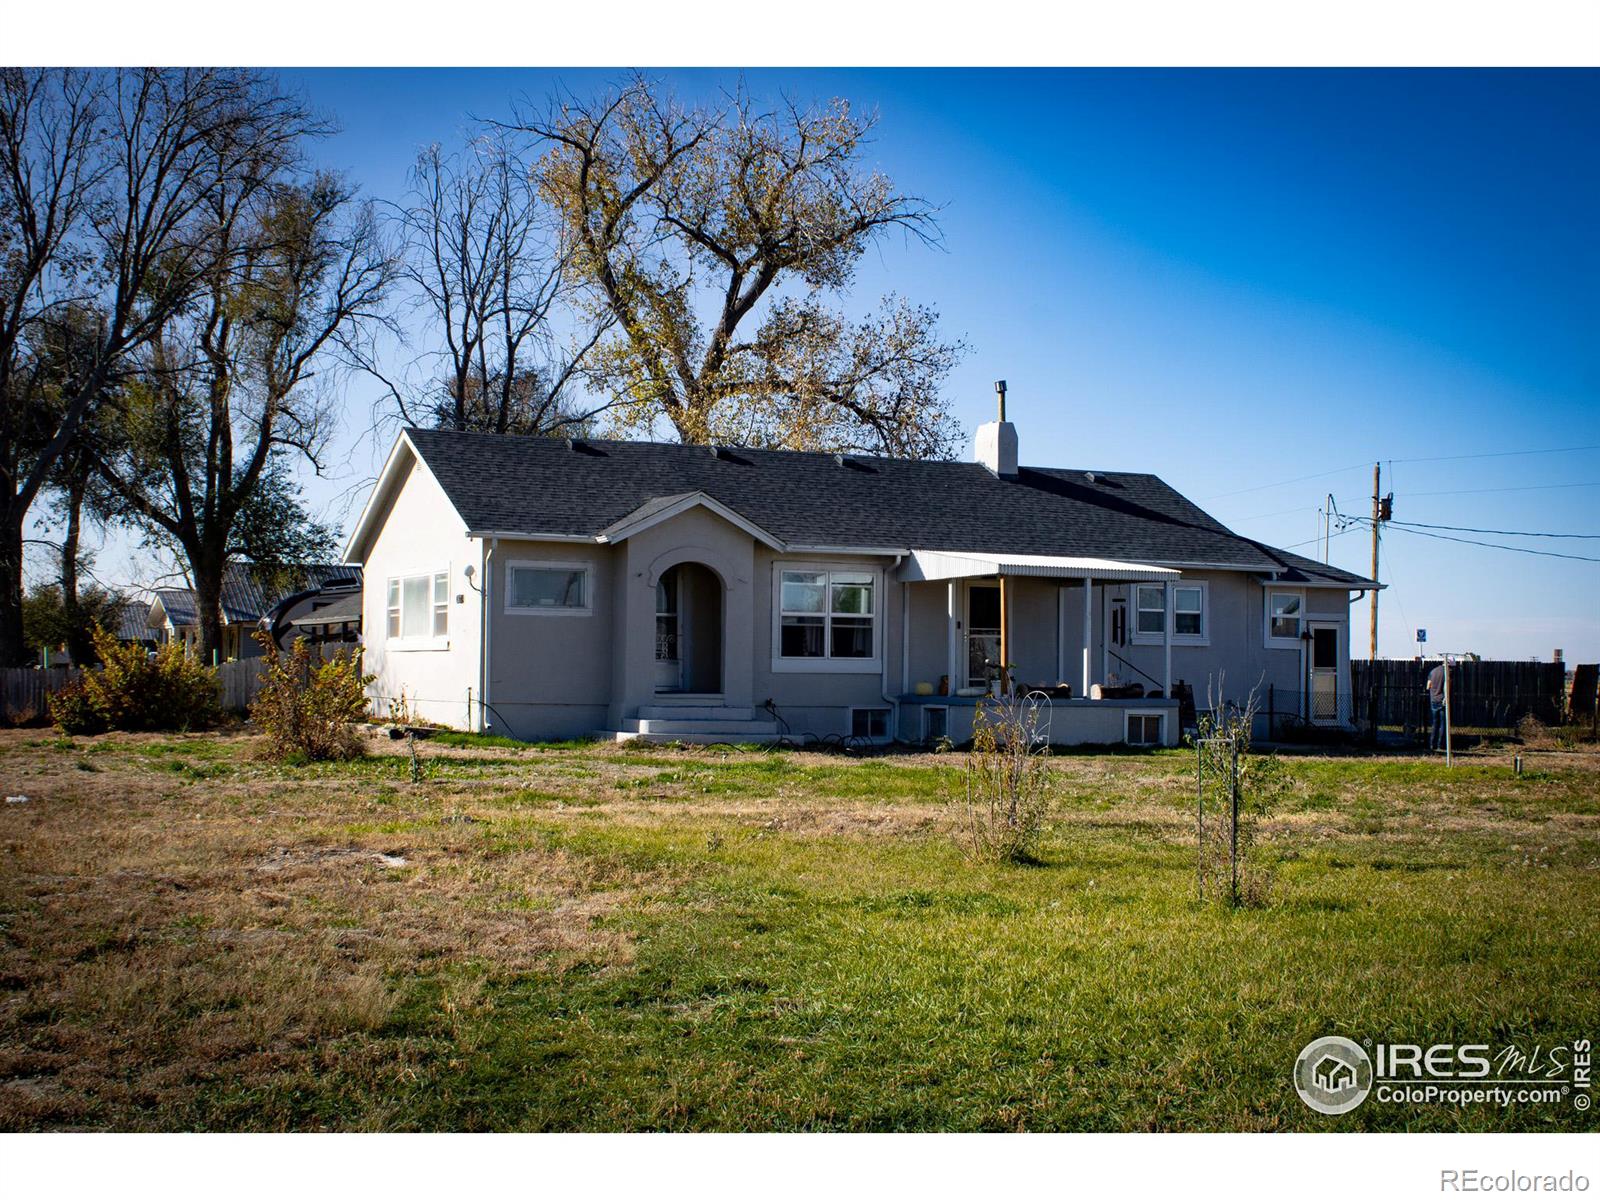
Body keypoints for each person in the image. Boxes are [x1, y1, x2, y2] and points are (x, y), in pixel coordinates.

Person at [1425, 660, 1448, 751]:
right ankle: (1440, 745)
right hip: (1443, 700)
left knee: (1435, 723)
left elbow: (1428, 686)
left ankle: (1432, 744)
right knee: (1443, 724)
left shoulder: (1433, 671)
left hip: (1433, 700)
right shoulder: (1447, 672)